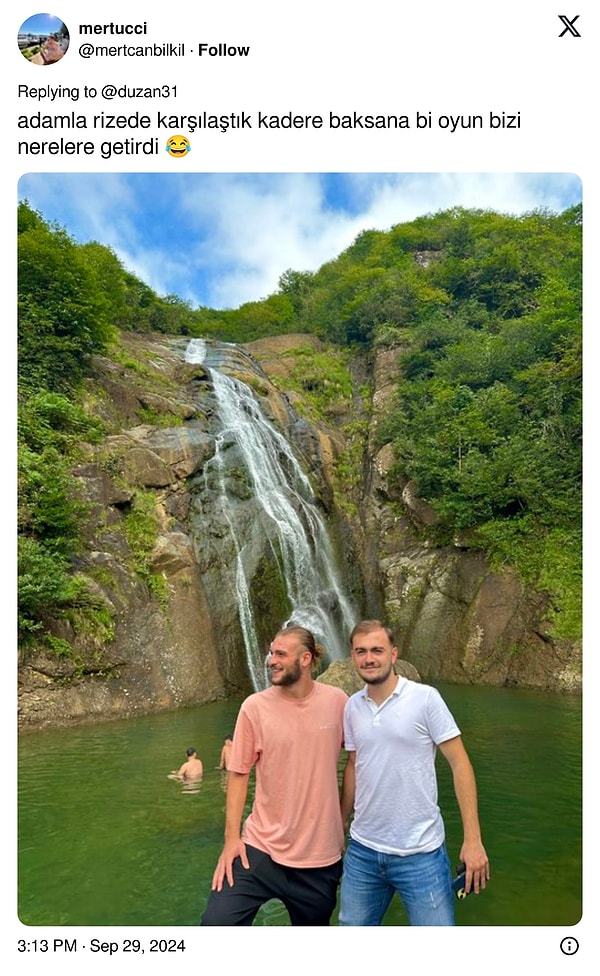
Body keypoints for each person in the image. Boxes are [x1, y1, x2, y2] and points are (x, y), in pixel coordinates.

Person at [339, 620, 490, 926]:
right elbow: (355, 764)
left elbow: (460, 763)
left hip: (421, 853)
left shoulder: (425, 699)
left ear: (393, 654)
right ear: (353, 657)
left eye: (377, 650)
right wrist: (340, 823)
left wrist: (473, 840)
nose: (369, 658)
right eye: (361, 651)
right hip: (363, 852)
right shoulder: (352, 707)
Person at [201, 625, 348, 926]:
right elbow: (239, 773)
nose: (271, 660)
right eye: (271, 653)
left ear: (305, 659)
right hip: (259, 848)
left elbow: (359, 760)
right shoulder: (254, 707)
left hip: (319, 857)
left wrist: (342, 821)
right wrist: (231, 840)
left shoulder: (338, 702)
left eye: (280, 654)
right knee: (216, 924)